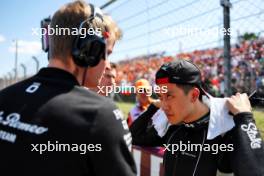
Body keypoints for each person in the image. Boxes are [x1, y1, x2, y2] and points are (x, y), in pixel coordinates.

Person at [0, 1, 136, 176]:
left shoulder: (5, 97)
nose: (108, 65)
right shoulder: (99, 115)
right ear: (89, 49)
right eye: (107, 53)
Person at [130, 59, 264, 176]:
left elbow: (256, 171)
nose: (164, 105)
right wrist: (154, 106)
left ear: (194, 95)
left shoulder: (223, 130)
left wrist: (245, 118)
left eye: (169, 96)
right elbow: (134, 137)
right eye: (160, 96)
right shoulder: (172, 125)